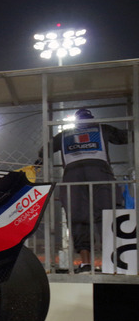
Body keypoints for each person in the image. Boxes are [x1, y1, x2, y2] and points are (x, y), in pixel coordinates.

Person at [47, 108, 130, 273]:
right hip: (100, 174)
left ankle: (86, 263)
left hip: (73, 178)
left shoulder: (64, 135)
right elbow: (126, 137)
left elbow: (45, 150)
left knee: (79, 219)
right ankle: (114, 261)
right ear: (91, 119)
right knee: (108, 215)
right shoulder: (102, 128)